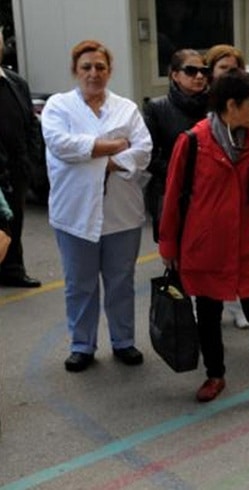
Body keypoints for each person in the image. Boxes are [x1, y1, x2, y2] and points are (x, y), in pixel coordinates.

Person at [158, 70, 249, 403]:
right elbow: (173, 196)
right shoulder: (193, 141)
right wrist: (168, 244)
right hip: (205, 244)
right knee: (208, 314)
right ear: (231, 105)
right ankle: (214, 375)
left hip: (244, 244)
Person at [42, 40, 153, 372]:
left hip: (122, 216)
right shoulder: (58, 107)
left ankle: (123, 341)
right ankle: (82, 344)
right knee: (80, 284)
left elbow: (143, 150)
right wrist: (113, 146)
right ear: (75, 70)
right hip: (74, 214)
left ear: (110, 71)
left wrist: (97, 160)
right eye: (86, 67)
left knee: (121, 282)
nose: (93, 73)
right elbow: (61, 145)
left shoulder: (126, 109)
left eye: (100, 67)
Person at [205, 43, 249, 329]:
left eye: (235, 69)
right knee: (207, 260)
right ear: (212, 72)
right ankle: (206, 306)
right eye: (223, 69)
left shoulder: (248, 116)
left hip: (237, 204)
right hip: (206, 202)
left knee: (237, 258)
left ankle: (236, 306)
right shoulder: (201, 114)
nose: (229, 74)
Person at [143, 49, 209, 244]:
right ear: (175, 75)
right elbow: (149, 156)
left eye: (203, 71)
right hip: (170, 191)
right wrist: (182, 173)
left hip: (208, 191)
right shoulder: (156, 108)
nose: (198, 76)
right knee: (175, 255)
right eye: (190, 70)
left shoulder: (214, 106)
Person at [0, 28, 44, 288]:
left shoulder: (16, 82)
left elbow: (31, 124)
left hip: (17, 169)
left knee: (14, 223)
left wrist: (30, 160)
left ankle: (13, 270)